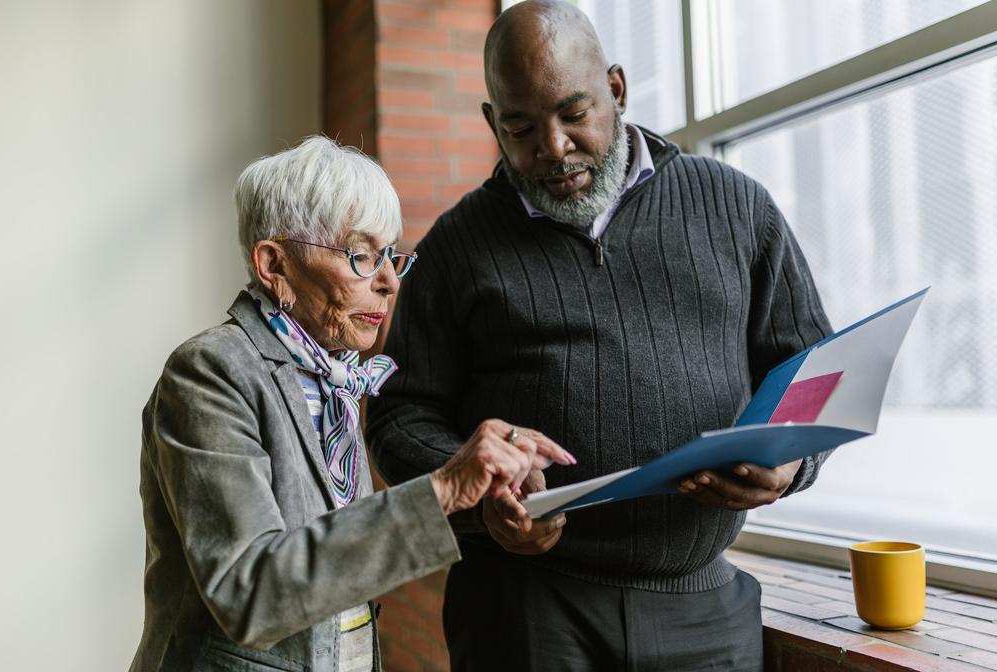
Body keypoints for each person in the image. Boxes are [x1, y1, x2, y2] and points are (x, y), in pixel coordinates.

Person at [366, 2, 834, 670]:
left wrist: (791, 465)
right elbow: (395, 414)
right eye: (521, 127)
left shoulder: (737, 207)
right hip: (524, 612)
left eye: (573, 114)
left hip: (703, 610)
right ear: (491, 122)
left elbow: (812, 370)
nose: (552, 148)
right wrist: (483, 495)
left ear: (615, 89)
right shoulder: (456, 249)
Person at [130, 136, 574, 672]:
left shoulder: (329, 372)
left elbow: (335, 540)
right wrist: (445, 488)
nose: (388, 282)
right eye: (361, 255)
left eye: (390, 257)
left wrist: (482, 504)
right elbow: (250, 593)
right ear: (274, 264)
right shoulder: (210, 372)